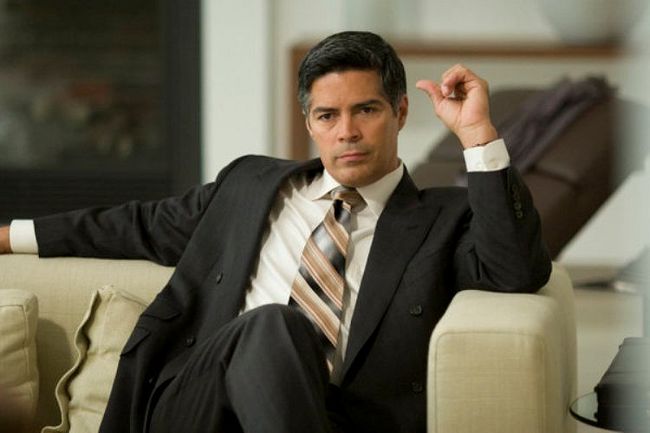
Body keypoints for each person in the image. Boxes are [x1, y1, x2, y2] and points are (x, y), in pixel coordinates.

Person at [0, 31, 551, 433]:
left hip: (341, 417)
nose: (347, 132)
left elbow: (515, 271)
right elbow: (133, 226)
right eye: (328, 116)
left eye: (366, 110)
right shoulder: (250, 186)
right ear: (310, 123)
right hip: (198, 405)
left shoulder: (443, 218)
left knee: (279, 331)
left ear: (401, 112)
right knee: (276, 324)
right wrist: (6, 237)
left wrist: (477, 134)